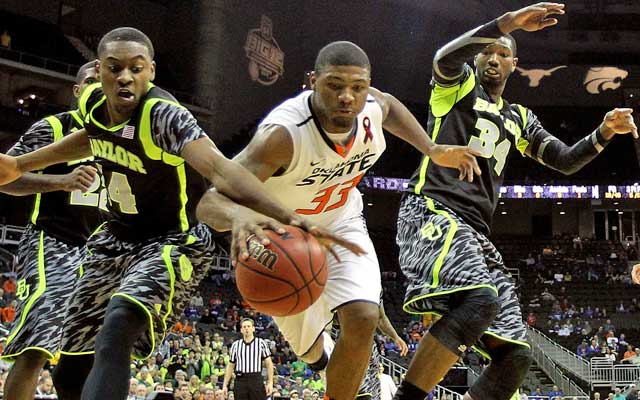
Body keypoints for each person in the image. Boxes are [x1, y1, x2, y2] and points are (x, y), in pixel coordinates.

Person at [0, 27, 353, 400]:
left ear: (150, 71)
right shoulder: (93, 103)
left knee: (118, 325)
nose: (125, 77)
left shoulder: (163, 115)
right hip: (115, 239)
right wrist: (22, 163)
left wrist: (281, 214)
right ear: (99, 71)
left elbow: (219, 167)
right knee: (71, 374)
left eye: (136, 68)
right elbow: (93, 135)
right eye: (114, 68)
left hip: (174, 241)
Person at [196, 40, 479, 400]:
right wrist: (237, 216)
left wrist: (433, 149)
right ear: (312, 81)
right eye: (335, 85)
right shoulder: (283, 137)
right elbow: (209, 202)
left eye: (358, 87)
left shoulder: (370, 110)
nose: (348, 96)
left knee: (362, 316)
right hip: (285, 237)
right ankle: (331, 366)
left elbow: (390, 107)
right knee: (313, 352)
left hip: (342, 221)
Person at [394, 3, 637, 400]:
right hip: (431, 210)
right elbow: (443, 57)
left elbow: (564, 160)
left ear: (514, 64)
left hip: (474, 233)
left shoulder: (520, 118)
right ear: (477, 57)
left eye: (503, 52)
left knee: (516, 357)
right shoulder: (456, 89)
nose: (493, 57)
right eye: (488, 51)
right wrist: (508, 24)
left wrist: (604, 131)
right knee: (480, 298)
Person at [0, 61, 102, 400]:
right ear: (77, 91)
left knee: (85, 361)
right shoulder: (55, 128)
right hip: (52, 242)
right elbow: (6, 179)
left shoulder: (128, 138)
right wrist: (61, 181)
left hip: (100, 255)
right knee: (37, 347)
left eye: (106, 81)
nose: (99, 86)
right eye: (90, 80)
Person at [222, 318, 273, 400]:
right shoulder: (236, 345)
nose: (246, 328)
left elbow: (269, 364)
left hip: (255, 379)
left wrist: (270, 382)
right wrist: (225, 385)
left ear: (253, 328)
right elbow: (230, 366)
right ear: (241, 330)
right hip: (240, 380)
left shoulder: (261, 343)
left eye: (248, 326)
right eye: (244, 327)